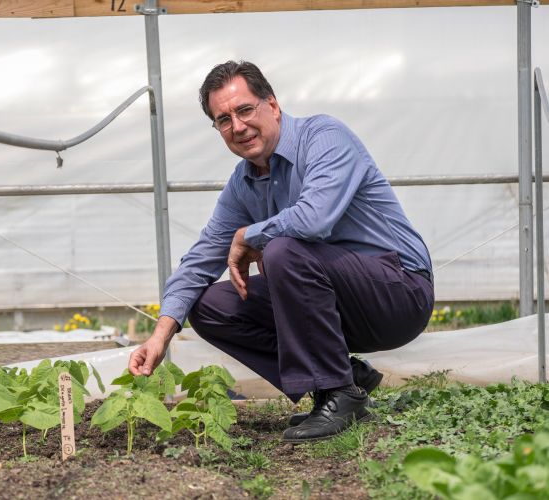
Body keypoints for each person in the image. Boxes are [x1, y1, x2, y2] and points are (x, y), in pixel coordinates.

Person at [128, 60, 434, 442]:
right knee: (209, 306)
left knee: (283, 250)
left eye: (244, 110)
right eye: (223, 119)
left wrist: (248, 235)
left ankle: (338, 394)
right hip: (338, 306)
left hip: (398, 294)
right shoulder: (244, 183)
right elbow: (201, 258)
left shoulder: (324, 137)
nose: (237, 126)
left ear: (272, 105)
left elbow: (313, 220)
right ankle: (343, 377)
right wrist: (160, 335)